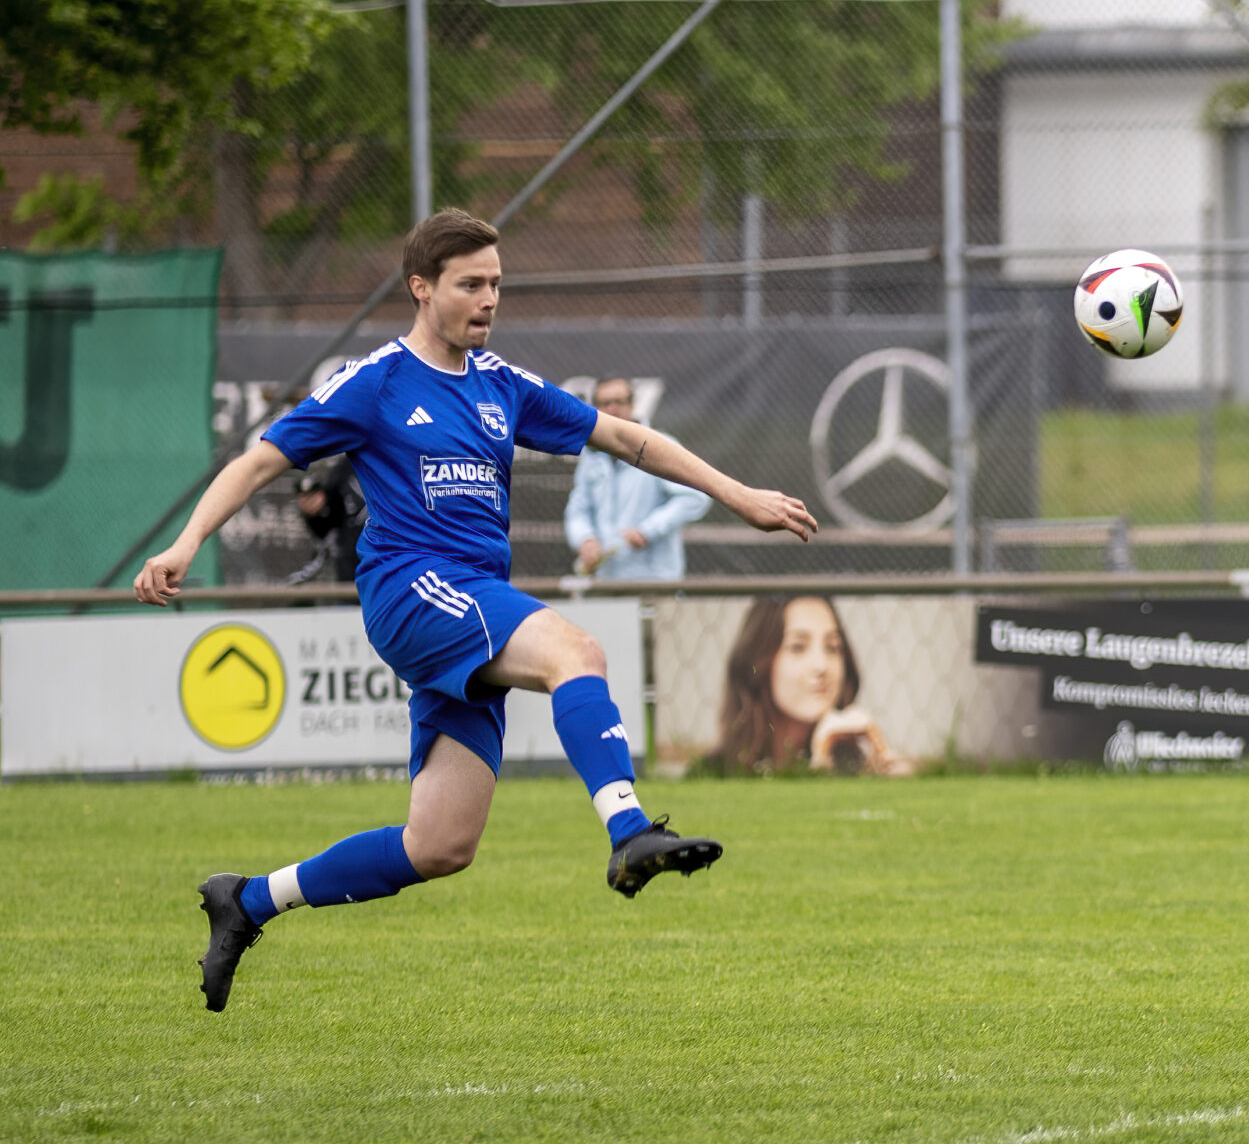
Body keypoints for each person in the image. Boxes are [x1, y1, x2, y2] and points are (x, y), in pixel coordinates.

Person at [135, 208, 819, 1012]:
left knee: (440, 845)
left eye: (496, 282)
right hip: (410, 589)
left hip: (470, 603)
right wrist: (184, 543)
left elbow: (628, 439)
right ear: (421, 288)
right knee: (577, 651)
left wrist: (740, 495)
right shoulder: (377, 380)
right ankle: (629, 830)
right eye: (470, 283)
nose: (489, 298)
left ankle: (248, 899)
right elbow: (259, 462)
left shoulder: (502, 385)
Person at [710, 594, 911, 776]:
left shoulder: (862, 771)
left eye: (832, 648)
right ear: (759, 662)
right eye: (798, 647)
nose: (821, 666)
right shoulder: (714, 774)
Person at [565, 376, 709, 580]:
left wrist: (648, 531)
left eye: (619, 402)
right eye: (605, 403)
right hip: (606, 581)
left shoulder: (661, 444)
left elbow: (695, 497)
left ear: (632, 405)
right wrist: (585, 539)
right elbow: (578, 511)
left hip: (654, 580)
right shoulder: (590, 456)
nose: (612, 409)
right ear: (594, 408)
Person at [287, 452, 366, 585]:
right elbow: (330, 528)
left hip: (390, 570)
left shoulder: (393, 461)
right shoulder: (342, 471)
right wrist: (314, 515)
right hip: (352, 576)